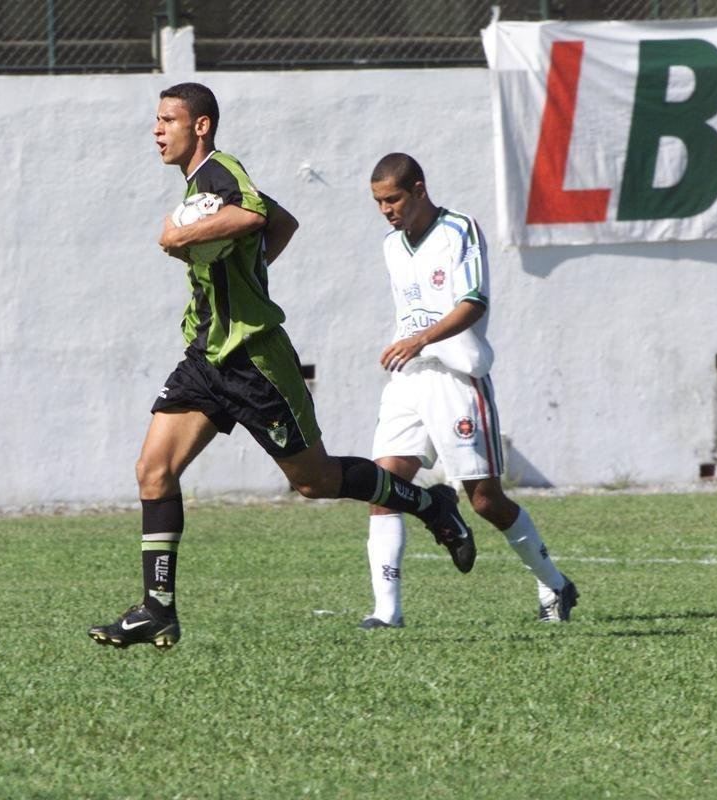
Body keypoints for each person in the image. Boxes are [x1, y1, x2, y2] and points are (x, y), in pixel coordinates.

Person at [88, 85, 476, 651]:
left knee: (313, 481)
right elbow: (281, 221)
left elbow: (254, 214)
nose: (156, 130)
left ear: (200, 126)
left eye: (168, 119)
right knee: (153, 469)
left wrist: (182, 236)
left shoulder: (221, 171)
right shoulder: (200, 185)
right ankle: (157, 609)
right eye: (156, 119)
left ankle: (429, 502)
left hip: (254, 361)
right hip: (206, 357)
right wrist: (250, 269)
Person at [359, 152, 579, 629]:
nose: (386, 210)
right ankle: (387, 612)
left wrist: (421, 338)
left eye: (393, 199)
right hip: (408, 379)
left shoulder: (460, 229)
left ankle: (555, 585)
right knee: (385, 487)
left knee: (485, 501)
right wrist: (408, 345)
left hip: (457, 379)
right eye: (378, 202)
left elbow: (473, 303)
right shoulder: (391, 246)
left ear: (419, 189)